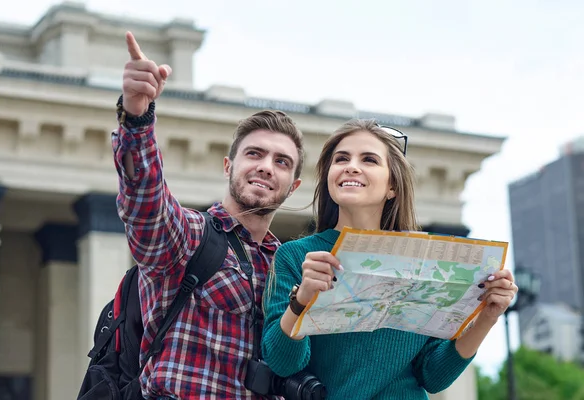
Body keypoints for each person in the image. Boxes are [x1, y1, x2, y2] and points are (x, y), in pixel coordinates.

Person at [261, 119, 518, 399]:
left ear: (392, 186)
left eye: (369, 159)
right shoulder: (296, 257)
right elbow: (282, 362)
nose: (351, 166)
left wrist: (487, 319)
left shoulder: (426, 260)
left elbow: (434, 376)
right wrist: (302, 300)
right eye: (341, 159)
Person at [113, 31, 304, 399]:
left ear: (292, 186)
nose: (266, 167)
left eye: (281, 162)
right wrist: (136, 119)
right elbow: (145, 204)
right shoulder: (189, 235)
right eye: (254, 154)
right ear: (228, 166)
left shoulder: (289, 264)